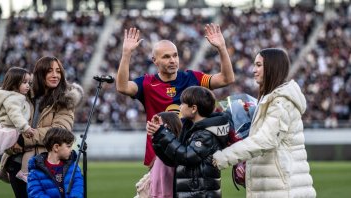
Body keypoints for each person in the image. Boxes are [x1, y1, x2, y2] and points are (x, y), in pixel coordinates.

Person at [116, 23, 235, 167]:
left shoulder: (192, 78)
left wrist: (222, 48)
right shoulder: (147, 83)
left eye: (175, 55)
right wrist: (126, 53)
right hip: (159, 156)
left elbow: (226, 79)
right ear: (155, 60)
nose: (172, 60)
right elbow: (122, 87)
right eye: (166, 57)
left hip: (190, 152)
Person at [212, 48, 316, 197]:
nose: (254, 70)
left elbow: (265, 140)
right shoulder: (271, 99)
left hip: (284, 190)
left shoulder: (282, 102)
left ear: (272, 67)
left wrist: (223, 157)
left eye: (259, 65)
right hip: (275, 187)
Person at [5, 56, 84, 198]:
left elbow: (60, 132)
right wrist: (10, 145)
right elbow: (7, 124)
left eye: (58, 71)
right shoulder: (24, 95)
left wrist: (23, 140)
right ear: (40, 74)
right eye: (50, 71)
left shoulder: (66, 100)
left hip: (43, 165)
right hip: (16, 163)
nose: (55, 75)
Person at [147, 86, 234, 197]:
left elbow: (187, 156)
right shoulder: (190, 129)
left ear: (193, 108)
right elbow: (173, 160)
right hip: (193, 193)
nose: (180, 106)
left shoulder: (205, 134)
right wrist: (158, 136)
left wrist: (163, 133)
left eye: (183, 103)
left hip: (201, 194)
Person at [0, 67, 35, 183]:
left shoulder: (12, 96)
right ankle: (23, 171)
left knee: (8, 153)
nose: (28, 86)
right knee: (30, 148)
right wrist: (25, 127)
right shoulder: (14, 98)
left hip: (6, 129)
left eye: (29, 83)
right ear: (14, 83)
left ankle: (2, 169)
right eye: (24, 82)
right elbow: (15, 115)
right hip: (12, 130)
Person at [27, 127, 84, 198]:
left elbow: (78, 188)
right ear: (56, 147)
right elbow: (35, 194)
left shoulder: (73, 167)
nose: (71, 150)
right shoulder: (35, 170)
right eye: (68, 146)